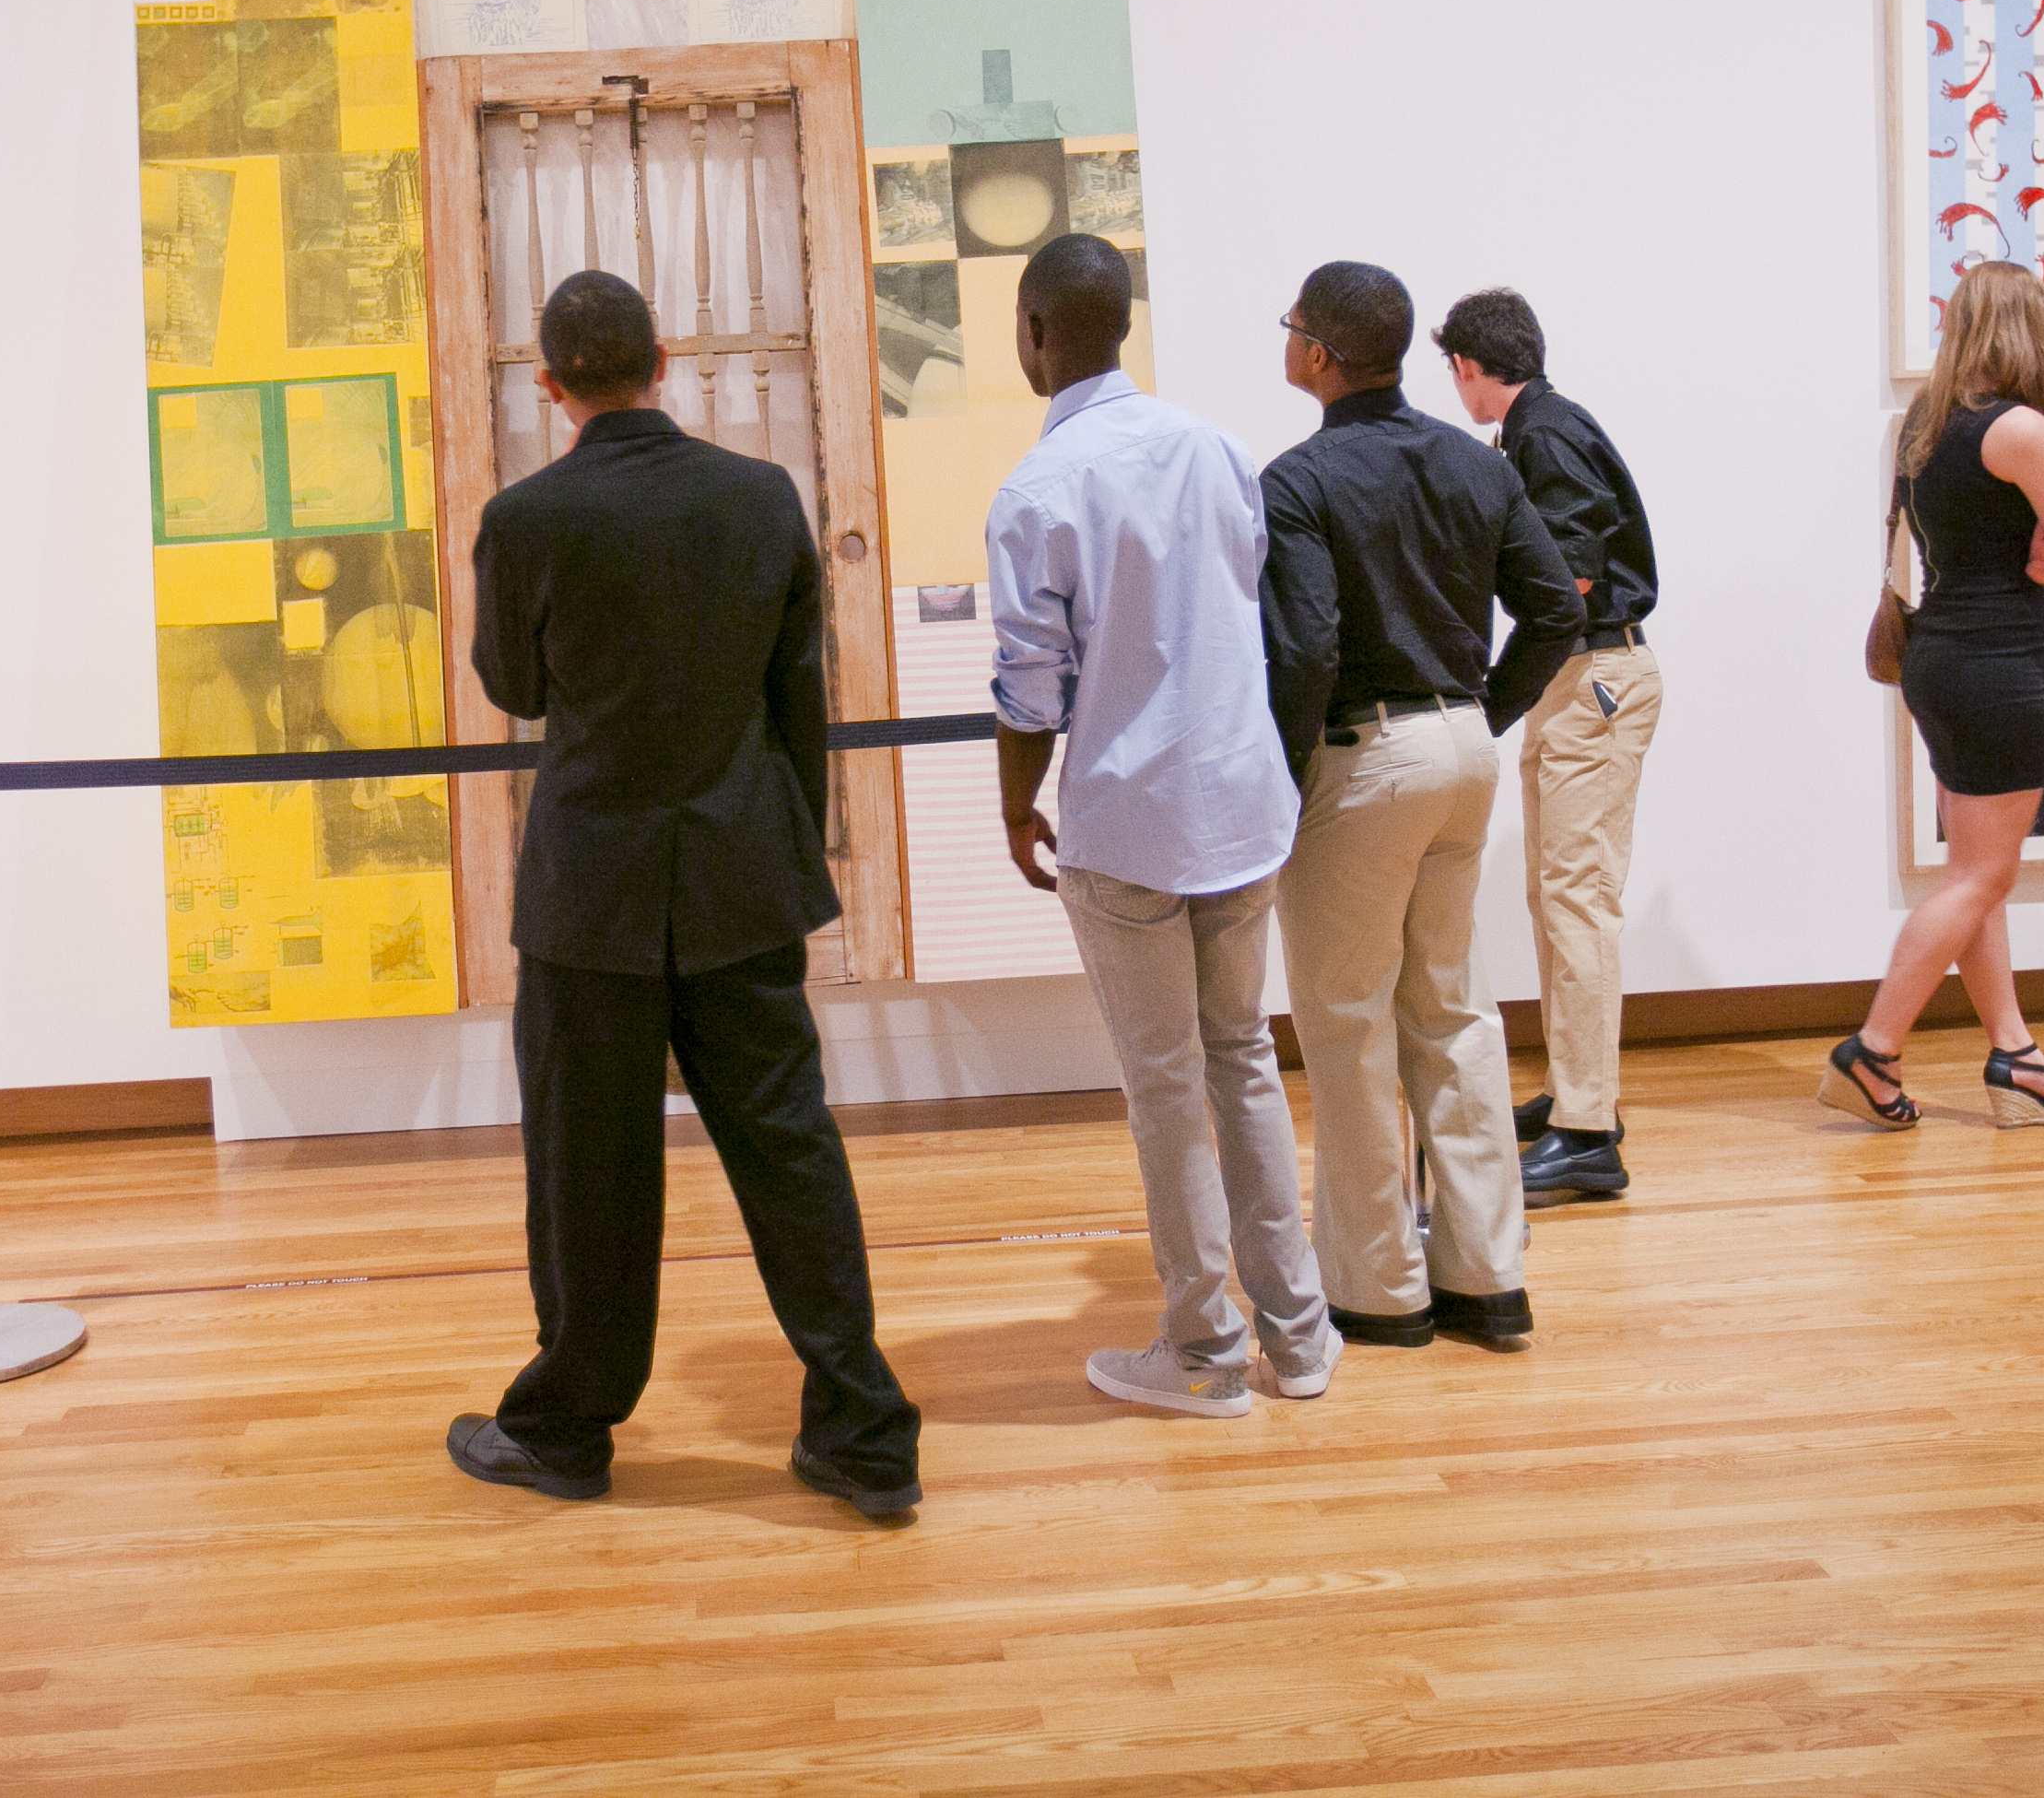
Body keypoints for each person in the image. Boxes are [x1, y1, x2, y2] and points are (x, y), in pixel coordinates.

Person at [446, 270, 924, 1518]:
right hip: (739, 875)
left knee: (588, 1164)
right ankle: (863, 1426)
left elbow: (516, 686)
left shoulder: (526, 517)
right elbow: (795, 697)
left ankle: (568, 1421)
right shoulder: (760, 497)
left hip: (591, 890)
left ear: (546, 382)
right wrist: (793, 851)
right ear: (664, 358)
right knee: (789, 1148)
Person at [989, 232, 1338, 1416]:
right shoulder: (1218, 448)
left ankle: (1205, 1353)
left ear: (1036, 333)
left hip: (1128, 824)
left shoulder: (1038, 489)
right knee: (1242, 1061)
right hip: (1239, 810)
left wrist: (1012, 802)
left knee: (1164, 1084)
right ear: (1121, 324)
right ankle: (1298, 1337)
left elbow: (1031, 684)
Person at [1262, 263, 1586, 1352]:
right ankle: (1487, 1277)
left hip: (1363, 758)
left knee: (1348, 1024)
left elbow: (1304, 646)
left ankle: (1378, 1288)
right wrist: (1477, 716)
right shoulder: (1473, 464)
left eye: (1292, 327)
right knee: (1453, 1015)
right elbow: (1553, 613)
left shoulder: (1297, 480)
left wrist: (1287, 770)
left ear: (1317, 352)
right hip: (1460, 751)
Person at [1824, 259, 2044, 1130]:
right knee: (1984, 874)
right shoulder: (2019, 430)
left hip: (1941, 659)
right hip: (1997, 667)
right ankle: (1871, 1053)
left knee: (1973, 874)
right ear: (2030, 331)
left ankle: (2014, 1054)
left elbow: (2028, 548)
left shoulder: (1928, 419)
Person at [1438, 288, 1665, 1205]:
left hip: (1597, 677)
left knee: (1576, 897)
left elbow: (1566, 581)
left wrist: (1493, 695)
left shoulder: (1544, 432)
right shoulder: (1539, 426)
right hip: (1583, 678)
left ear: (1467, 367)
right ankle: (1584, 1101)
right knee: (1562, 892)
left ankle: (1587, 1130)